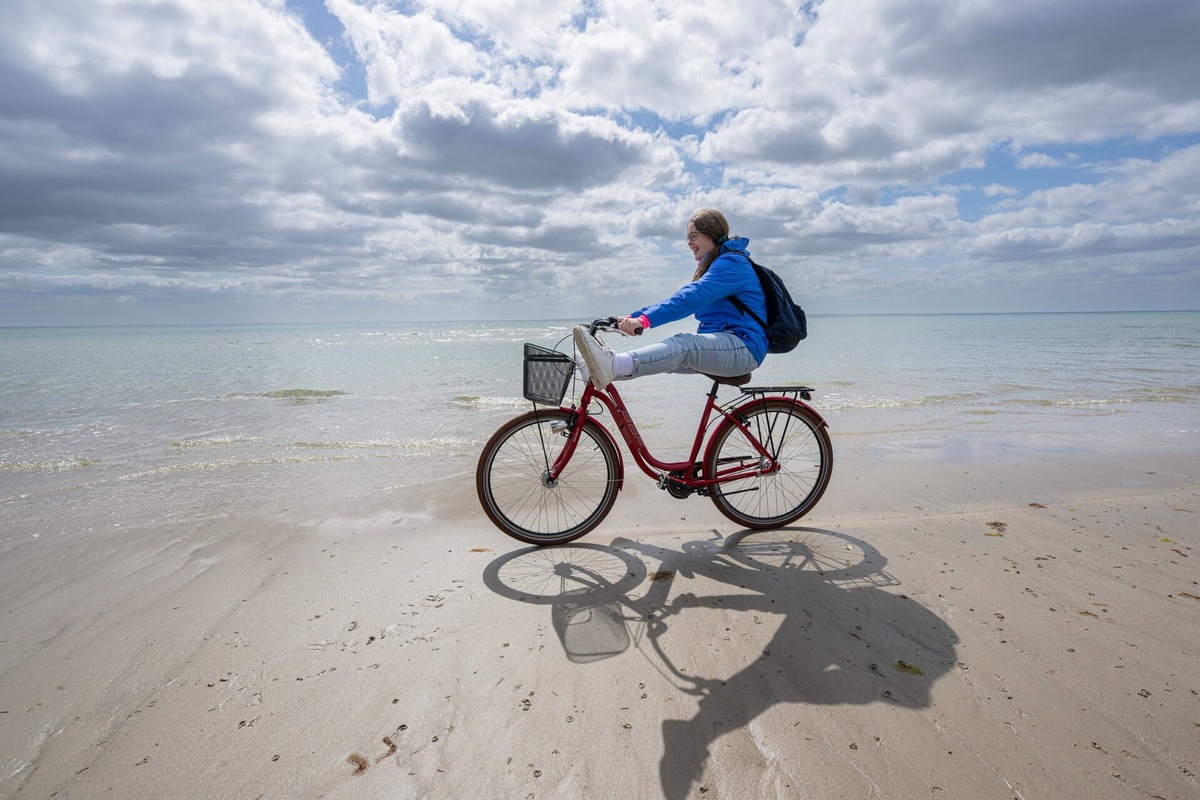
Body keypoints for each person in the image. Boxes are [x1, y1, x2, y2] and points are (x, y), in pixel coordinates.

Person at [574, 208, 769, 390]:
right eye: (688, 238)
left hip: (744, 347)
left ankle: (613, 364)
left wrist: (643, 321)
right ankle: (600, 371)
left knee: (682, 345)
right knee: (664, 357)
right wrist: (630, 317)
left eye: (694, 236)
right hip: (725, 344)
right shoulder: (715, 264)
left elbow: (689, 299)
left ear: (713, 235)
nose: (690, 243)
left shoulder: (732, 264)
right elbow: (678, 298)